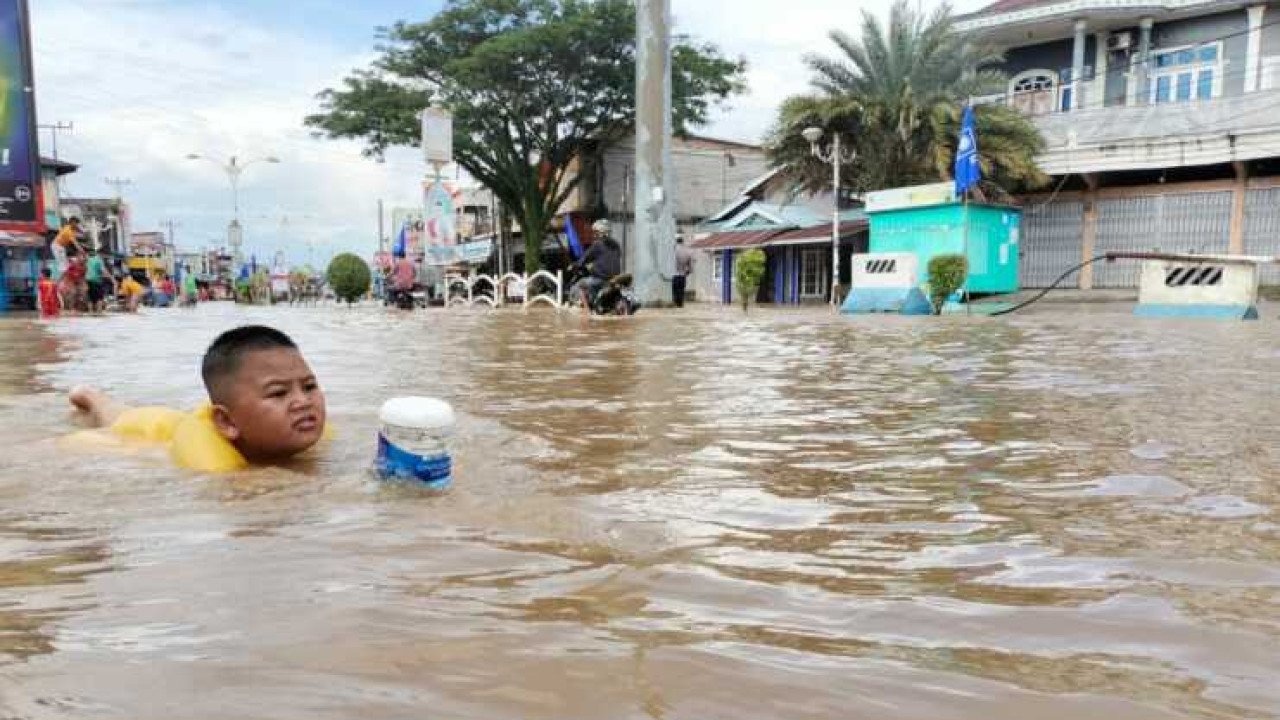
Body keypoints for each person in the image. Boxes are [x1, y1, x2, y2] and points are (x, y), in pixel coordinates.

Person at [68, 325, 327, 472]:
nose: (303, 401)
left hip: (183, 421)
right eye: (279, 393)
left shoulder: (300, 429)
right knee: (113, 415)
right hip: (153, 427)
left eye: (309, 386)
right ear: (227, 422)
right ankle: (89, 396)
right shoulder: (213, 466)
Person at [573, 219, 623, 309]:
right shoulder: (616, 244)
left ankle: (587, 311)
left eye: (595, 232)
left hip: (601, 278)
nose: (594, 234)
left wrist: (576, 265)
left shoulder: (597, 245)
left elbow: (584, 259)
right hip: (615, 278)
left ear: (599, 232)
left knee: (580, 285)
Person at [85, 248, 111, 314]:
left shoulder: (89, 259)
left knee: (90, 297)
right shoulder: (99, 260)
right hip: (96, 280)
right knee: (99, 297)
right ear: (102, 254)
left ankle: (90, 312)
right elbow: (103, 270)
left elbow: (87, 269)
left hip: (88, 280)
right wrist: (111, 278)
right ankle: (99, 312)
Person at [673, 235, 693, 308]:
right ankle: (680, 305)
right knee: (681, 291)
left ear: (676, 241)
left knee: (674, 291)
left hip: (674, 275)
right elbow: (690, 266)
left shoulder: (673, 250)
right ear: (682, 241)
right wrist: (687, 272)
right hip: (683, 275)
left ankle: (675, 304)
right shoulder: (687, 251)